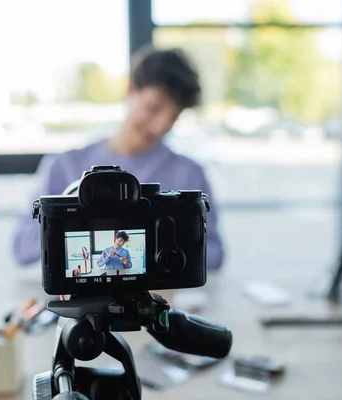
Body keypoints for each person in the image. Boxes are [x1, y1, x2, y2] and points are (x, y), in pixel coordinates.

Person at [13, 46, 224, 270]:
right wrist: (74, 222)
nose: (161, 125)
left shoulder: (188, 174)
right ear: (131, 90)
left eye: (173, 116)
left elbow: (214, 254)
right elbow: (21, 248)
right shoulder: (64, 167)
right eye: (154, 107)